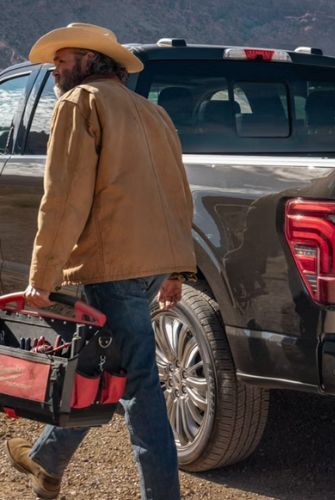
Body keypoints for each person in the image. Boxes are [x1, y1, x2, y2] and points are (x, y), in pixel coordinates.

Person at [4, 23, 196, 500]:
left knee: (138, 385)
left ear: (92, 60)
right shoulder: (153, 112)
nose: (55, 69)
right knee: (106, 368)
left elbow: (63, 198)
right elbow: (177, 193)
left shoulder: (79, 102)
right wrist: (174, 268)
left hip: (113, 265)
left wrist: (41, 279)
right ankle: (47, 460)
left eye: (64, 60)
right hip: (150, 263)